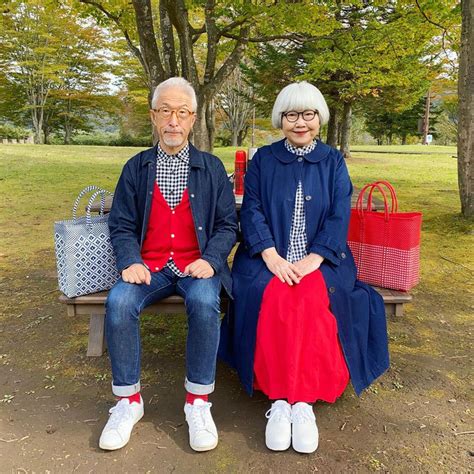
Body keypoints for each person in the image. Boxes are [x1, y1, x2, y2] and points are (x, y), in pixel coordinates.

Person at [219, 81, 389, 453]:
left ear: (319, 118)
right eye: (292, 114)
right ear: (281, 119)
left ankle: (304, 402)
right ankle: (280, 400)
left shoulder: (332, 161)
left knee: (311, 300)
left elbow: (339, 214)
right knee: (277, 298)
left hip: (322, 260)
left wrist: (314, 259)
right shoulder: (264, 158)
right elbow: (253, 210)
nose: (300, 122)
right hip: (268, 259)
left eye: (308, 114)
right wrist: (270, 256)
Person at [99, 77, 238, 452]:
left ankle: (198, 402)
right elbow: (122, 223)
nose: (173, 121)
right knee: (119, 302)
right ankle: (128, 402)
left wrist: (211, 260)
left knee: (206, 303)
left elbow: (228, 225)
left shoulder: (211, 168)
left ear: (193, 118)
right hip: (150, 267)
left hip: (197, 268)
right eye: (165, 111)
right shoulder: (136, 167)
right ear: (153, 117)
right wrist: (129, 260)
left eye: (181, 112)